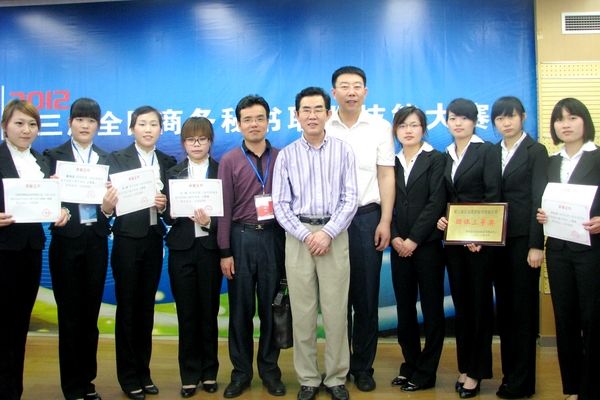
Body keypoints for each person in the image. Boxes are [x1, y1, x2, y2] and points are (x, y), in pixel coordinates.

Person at [272, 86, 357, 400]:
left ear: (328, 113)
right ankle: (308, 378)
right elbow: (280, 204)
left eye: (318, 109)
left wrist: (328, 232)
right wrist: (307, 235)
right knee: (303, 312)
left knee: (336, 312)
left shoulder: (343, 151)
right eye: (305, 110)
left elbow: (350, 198)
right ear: (296, 115)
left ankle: (335, 378)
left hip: (334, 234)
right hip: (299, 237)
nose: (312, 115)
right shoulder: (286, 155)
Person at [326, 66, 395, 392]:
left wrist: (385, 220)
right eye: (344, 86)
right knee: (336, 299)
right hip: (330, 222)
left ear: (365, 92)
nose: (351, 92)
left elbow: (386, 175)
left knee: (366, 298)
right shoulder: (322, 124)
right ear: (334, 92)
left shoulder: (380, 127)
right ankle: (337, 366)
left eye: (357, 86)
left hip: (367, 217)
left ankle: (363, 366)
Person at [43, 98, 115, 400]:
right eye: (80, 119)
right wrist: (52, 196)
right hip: (66, 243)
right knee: (70, 317)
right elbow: (40, 200)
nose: (85, 125)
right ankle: (72, 387)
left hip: (96, 242)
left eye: (91, 120)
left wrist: (109, 208)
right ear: (70, 123)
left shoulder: (106, 159)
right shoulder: (52, 156)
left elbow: (110, 208)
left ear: (98, 126)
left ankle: (87, 382)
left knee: (89, 316)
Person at [103, 105, 176, 400]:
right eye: (142, 124)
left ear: (161, 129)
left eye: (153, 124)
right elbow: (107, 206)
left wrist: (165, 205)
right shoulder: (116, 160)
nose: (148, 129)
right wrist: (109, 203)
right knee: (128, 308)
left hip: (153, 241)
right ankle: (128, 376)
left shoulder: (168, 162)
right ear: (132, 128)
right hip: (126, 241)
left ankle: (144, 373)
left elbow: (172, 213)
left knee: (146, 309)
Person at [217, 95, 286, 399]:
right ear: (239, 124)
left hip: (273, 239)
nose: (254, 124)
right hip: (241, 238)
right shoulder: (230, 160)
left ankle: (270, 372)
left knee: (273, 310)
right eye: (247, 119)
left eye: (259, 118)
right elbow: (223, 208)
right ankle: (241, 374)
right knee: (240, 312)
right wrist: (225, 251)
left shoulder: (282, 157)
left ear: (268, 121)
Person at [0, 99, 69, 399]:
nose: (26, 130)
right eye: (19, 123)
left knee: (18, 326)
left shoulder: (40, 162)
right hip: (2, 251)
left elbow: (49, 204)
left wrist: (60, 210)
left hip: (30, 251)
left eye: (32, 124)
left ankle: (13, 390)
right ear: (5, 126)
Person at [436, 98, 501, 399]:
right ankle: (465, 366)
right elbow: (447, 196)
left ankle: (477, 371)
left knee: (479, 307)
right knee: (462, 306)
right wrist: (442, 218)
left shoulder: (487, 151)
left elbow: (493, 194)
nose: (458, 123)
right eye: (453, 118)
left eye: (464, 118)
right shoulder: (447, 154)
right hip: (454, 242)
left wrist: (480, 236)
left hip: (480, 243)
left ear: (474, 121)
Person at [536, 98, 600, 400]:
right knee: (565, 319)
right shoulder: (551, 162)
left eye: (572, 118)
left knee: (593, 318)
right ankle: (572, 388)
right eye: (560, 120)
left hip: (592, 250)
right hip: (558, 250)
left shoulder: (598, 157)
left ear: (585, 121)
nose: (566, 125)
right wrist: (542, 214)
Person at [490, 96, 548, 399]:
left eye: (511, 116)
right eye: (500, 118)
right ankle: (509, 376)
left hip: (524, 242)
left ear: (523, 117)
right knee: (505, 312)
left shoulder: (535, 151)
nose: (506, 123)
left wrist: (536, 244)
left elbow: (540, 198)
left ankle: (523, 382)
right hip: (497, 242)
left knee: (523, 312)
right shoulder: (492, 151)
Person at [389, 106, 446, 392]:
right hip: (398, 246)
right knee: (404, 308)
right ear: (395, 130)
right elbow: (385, 201)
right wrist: (395, 237)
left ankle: (427, 371)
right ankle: (410, 363)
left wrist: (413, 239)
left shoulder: (436, 159)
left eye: (414, 125)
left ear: (424, 128)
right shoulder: (391, 161)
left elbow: (436, 202)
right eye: (403, 126)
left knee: (432, 309)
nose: (408, 130)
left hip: (427, 247)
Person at [164, 117, 222, 398]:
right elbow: (166, 216)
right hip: (182, 251)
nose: (196, 144)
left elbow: (230, 214)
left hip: (210, 251)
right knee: (186, 314)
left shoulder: (222, 171)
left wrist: (211, 223)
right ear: (183, 143)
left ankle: (209, 372)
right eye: (190, 139)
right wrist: (168, 211)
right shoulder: (173, 173)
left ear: (210, 141)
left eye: (202, 139)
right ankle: (189, 375)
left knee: (209, 313)